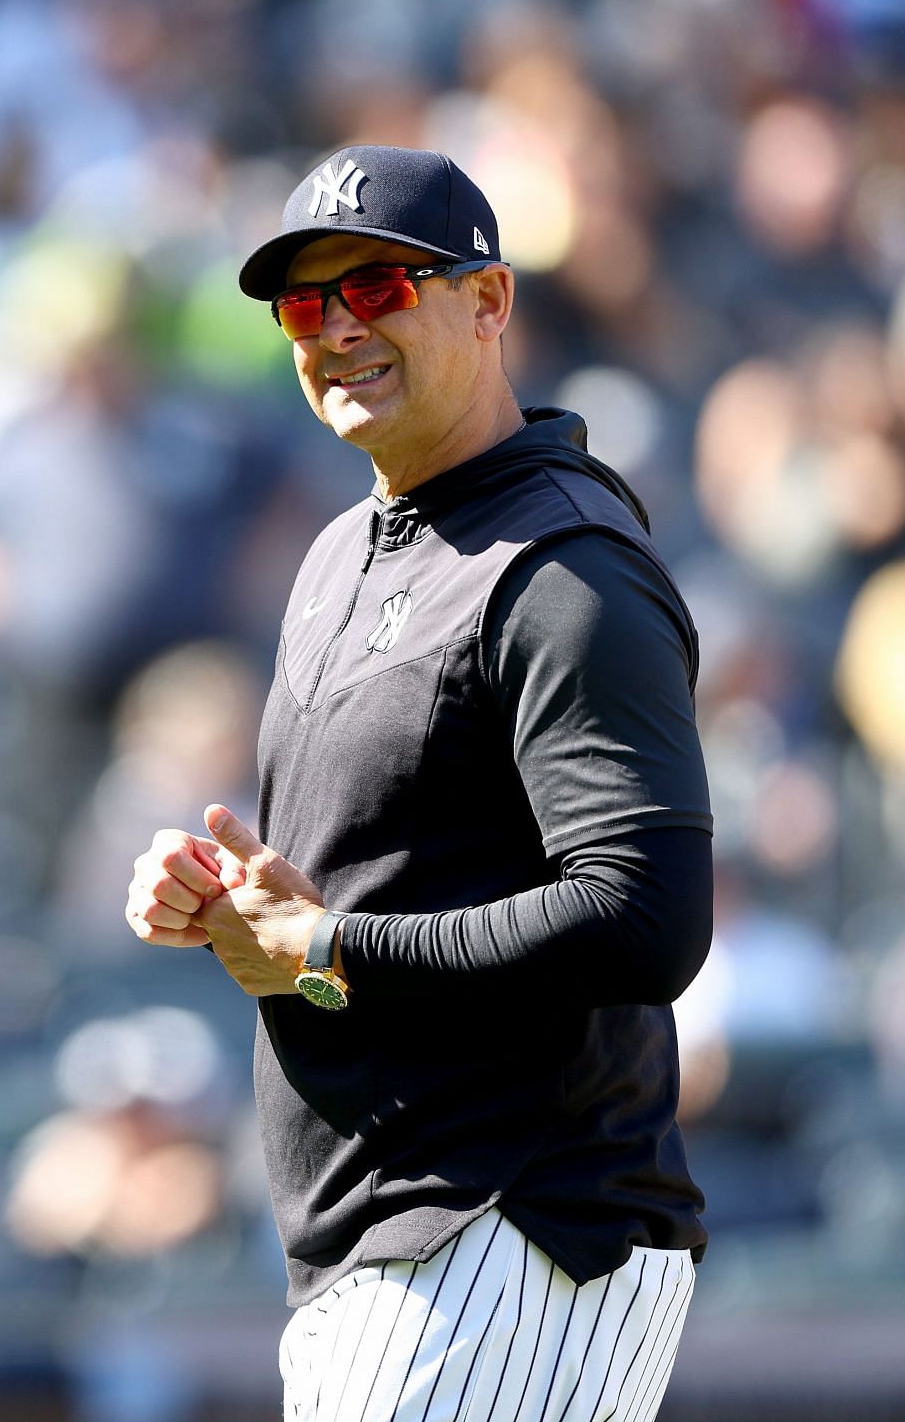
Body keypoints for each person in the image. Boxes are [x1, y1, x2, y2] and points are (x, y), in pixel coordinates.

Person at [125, 145, 714, 1421]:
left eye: (381, 286)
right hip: (389, 1237)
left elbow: (646, 917)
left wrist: (331, 942)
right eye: (303, 302)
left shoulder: (563, 569)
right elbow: (377, 891)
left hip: (514, 1225)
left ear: (489, 302)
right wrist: (239, 899)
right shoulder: (343, 552)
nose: (337, 326)